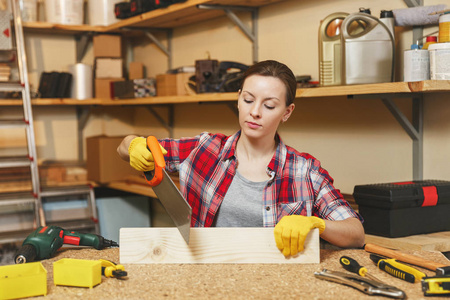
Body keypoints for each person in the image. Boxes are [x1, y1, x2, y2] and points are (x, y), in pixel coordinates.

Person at [117, 60, 365, 257]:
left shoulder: (305, 171)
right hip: (206, 278)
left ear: (287, 112)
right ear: (238, 99)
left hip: (278, 285)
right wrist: (134, 144)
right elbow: (124, 147)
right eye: (248, 100)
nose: (254, 112)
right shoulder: (204, 149)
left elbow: (356, 233)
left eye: (269, 106)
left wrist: (317, 224)